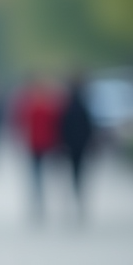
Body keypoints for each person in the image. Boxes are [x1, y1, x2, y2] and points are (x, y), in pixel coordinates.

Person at [12, 76, 62, 222]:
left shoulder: (50, 102)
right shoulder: (27, 103)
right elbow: (19, 122)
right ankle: (38, 201)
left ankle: (43, 199)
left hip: (47, 143)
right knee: (35, 174)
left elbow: (56, 124)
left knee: (44, 173)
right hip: (32, 143)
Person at [58, 75, 96, 219]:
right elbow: (89, 127)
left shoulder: (66, 107)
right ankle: (77, 195)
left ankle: (74, 195)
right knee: (78, 172)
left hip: (70, 144)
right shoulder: (83, 106)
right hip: (79, 144)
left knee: (73, 172)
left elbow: (62, 127)